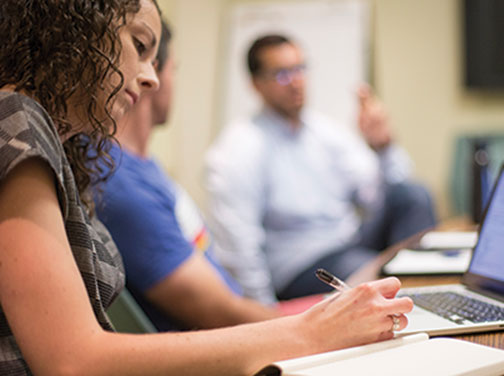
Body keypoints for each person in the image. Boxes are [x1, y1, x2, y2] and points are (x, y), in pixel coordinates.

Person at [0, 1, 414, 375]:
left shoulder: (58, 146)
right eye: (140, 45)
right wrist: (309, 332)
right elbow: (72, 361)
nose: (152, 78)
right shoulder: (16, 121)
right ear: (78, 30)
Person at [205, 34, 437, 304]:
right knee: (376, 271)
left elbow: (380, 192)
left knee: (413, 194)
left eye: (300, 69)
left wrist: (383, 147)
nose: (295, 81)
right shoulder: (240, 148)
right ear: (256, 84)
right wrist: (265, 314)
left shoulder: (324, 132)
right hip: (300, 267)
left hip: (346, 243)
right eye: (281, 74)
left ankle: (431, 297)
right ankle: (416, 301)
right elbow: (239, 246)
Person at [95, 20, 282, 331]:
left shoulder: (142, 167)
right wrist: (313, 325)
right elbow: (220, 313)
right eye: (175, 69)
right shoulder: (119, 182)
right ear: (150, 74)